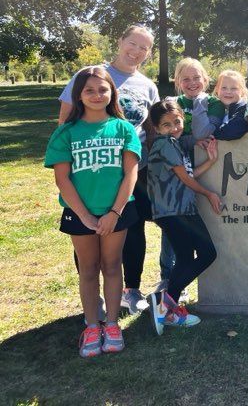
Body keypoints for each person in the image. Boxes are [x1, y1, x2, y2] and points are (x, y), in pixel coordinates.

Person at [58, 24, 160, 316]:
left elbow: (150, 129)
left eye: (144, 47)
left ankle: (132, 289)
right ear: (120, 41)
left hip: (132, 171)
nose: (136, 51)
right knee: (87, 226)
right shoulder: (90, 75)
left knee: (132, 227)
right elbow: (65, 121)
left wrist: (151, 163)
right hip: (91, 168)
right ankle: (93, 293)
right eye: (132, 43)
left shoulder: (147, 85)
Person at [45, 67, 141, 357]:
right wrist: (86, 216)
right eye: (89, 90)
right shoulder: (66, 132)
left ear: (113, 92)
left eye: (103, 89)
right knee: (88, 269)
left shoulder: (123, 128)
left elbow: (131, 175)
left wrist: (113, 212)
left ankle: (111, 324)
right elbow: (62, 179)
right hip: (80, 213)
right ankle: (91, 325)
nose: (97, 95)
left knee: (112, 266)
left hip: (118, 211)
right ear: (79, 95)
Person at [145, 100, 221, 335]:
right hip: (173, 211)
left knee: (187, 258)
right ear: (157, 128)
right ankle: (166, 303)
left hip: (182, 210)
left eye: (177, 121)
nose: (174, 127)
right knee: (207, 253)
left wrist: (212, 161)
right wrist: (208, 193)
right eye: (166, 124)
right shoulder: (165, 144)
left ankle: (166, 304)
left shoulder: (173, 144)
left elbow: (188, 173)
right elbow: (186, 180)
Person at [174, 58, 225, 152]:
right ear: (178, 82)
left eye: (196, 78)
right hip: (178, 162)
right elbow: (167, 137)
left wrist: (199, 100)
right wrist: (192, 141)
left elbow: (201, 134)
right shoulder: (174, 104)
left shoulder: (216, 104)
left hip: (207, 161)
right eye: (186, 79)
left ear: (205, 79)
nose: (192, 83)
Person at [210, 70, 248, 141]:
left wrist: (212, 135)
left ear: (242, 91)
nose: (228, 92)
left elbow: (231, 131)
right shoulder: (217, 108)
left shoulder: (244, 108)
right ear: (217, 90)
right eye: (224, 88)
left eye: (234, 88)